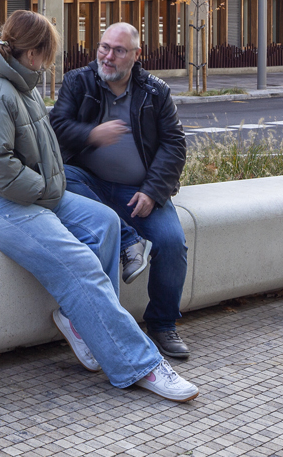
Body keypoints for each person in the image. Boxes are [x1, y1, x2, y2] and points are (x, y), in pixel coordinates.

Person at [0, 10, 197, 402]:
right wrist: (46, 189)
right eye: (48, 54)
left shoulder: (17, 82)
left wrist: (47, 187)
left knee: (105, 222)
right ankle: (139, 363)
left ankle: (82, 321)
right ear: (33, 54)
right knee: (77, 262)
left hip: (24, 190)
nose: (49, 63)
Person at [50, 22, 192, 362]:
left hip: (138, 192)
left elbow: (174, 145)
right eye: (103, 47)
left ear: (136, 55)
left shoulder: (155, 92)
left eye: (118, 50)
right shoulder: (78, 81)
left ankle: (162, 324)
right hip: (91, 184)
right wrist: (91, 134)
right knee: (65, 176)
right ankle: (129, 241)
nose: (107, 57)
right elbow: (56, 127)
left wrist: (153, 191)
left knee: (173, 243)